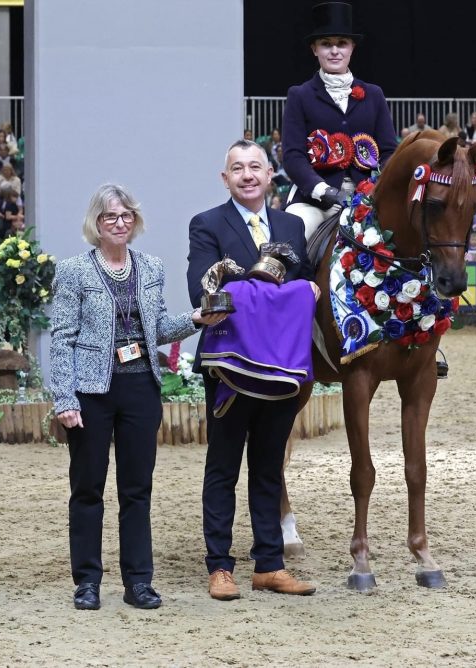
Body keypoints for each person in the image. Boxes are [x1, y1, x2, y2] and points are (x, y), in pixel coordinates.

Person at [49, 183, 223, 612]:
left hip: (140, 388)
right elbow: (61, 339)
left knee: (137, 490)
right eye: (111, 217)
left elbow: (159, 326)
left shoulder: (151, 267)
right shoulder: (74, 271)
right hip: (92, 391)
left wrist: (197, 319)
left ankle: (138, 581)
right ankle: (87, 582)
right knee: (87, 489)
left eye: (127, 216)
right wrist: (64, 398)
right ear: (97, 223)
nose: (120, 223)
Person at [188, 139, 318, 601]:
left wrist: (260, 286)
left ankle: (269, 564)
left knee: (268, 467)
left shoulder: (290, 225)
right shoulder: (207, 224)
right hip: (229, 368)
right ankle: (220, 566)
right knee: (222, 466)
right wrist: (267, 287)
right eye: (237, 168)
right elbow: (201, 293)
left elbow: (304, 286)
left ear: (270, 175)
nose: (247, 175)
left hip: (281, 368)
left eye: (255, 167)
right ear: (225, 178)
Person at [281, 1, 397, 239]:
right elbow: (293, 156)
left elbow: (388, 152)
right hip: (315, 202)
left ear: (352, 47)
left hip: (369, 198)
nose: (335, 51)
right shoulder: (300, 95)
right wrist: (323, 191)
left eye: (341, 44)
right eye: (326, 44)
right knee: (297, 229)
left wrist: (376, 189)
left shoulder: (373, 95)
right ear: (315, 49)